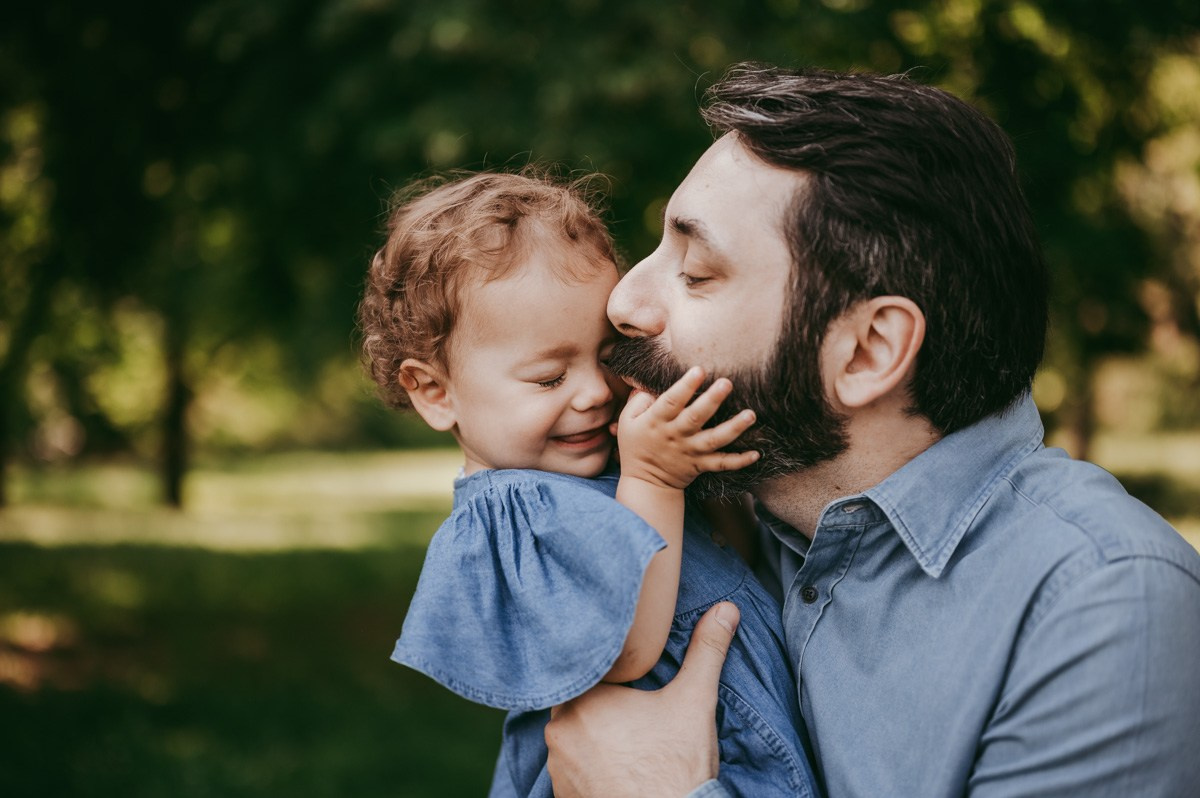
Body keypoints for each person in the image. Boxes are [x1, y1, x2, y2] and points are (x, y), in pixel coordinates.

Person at [543, 64, 1200, 797]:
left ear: (867, 351)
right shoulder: (684, 518)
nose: (625, 299)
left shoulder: (1099, 606)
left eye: (696, 273)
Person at [358, 171, 820, 797]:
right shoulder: (513, 513)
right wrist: (654, 476)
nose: (596, 393)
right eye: (550, 378)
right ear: (435, 393)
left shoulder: (597, 471)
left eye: (604, 356)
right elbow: (620, 650)